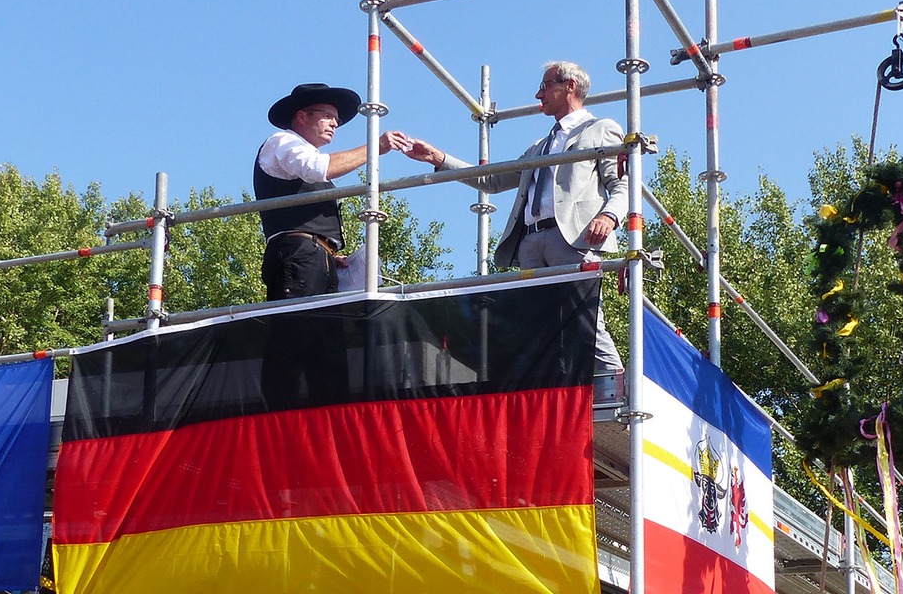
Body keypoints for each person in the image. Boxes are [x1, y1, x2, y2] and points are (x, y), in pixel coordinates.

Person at [405, 61, 628, 381]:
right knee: (539, 328)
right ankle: (553, 393)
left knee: (583, 318)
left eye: (546, 85)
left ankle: (613, 383)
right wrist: (439, 159)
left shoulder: (600, 129)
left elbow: (621, 183)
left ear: (570, 87)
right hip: (531, 243)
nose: (539, 94)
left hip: (572, 238)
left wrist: (609, 215)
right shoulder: (539, 147)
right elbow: (492, 181)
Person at [256, 82, 410, 301]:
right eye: (328, 116)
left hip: (313, 258)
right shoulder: (282, 141)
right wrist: (375, 147)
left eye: (336, 119)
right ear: (302, 116)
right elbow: (319, 168)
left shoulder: (298, 150)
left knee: (322, 330)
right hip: (298, 255)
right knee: (300, 328)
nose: (335, 123)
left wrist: (327, 252)